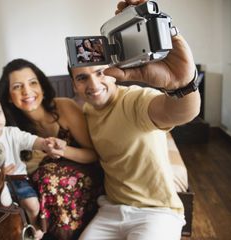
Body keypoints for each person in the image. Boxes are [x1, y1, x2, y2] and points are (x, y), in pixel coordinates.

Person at [67, 1, 201, 239]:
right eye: (82, 78)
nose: (93, 85)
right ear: (74, 85)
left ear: (113, 72)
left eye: (100, 73)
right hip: (110, 209)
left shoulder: (135, 100)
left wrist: (183, 85)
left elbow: (180, 112)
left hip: (157, 212)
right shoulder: (85, 113)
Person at [0, 58, 103, 240]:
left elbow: (93, 154)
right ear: (8, 95)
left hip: (83, 177)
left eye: (32, 83)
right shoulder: (9, 130)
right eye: (17, 86)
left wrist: (63, 151)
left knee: (48, 178)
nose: (27, 91)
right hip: (43, 195)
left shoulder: (65, 107)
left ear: (42, 86)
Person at [0, 91, 65, 239]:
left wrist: (44, 143)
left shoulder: (12, 133)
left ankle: (35, 227)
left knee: (32, 204)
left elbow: (30, 141)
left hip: (17, 178)